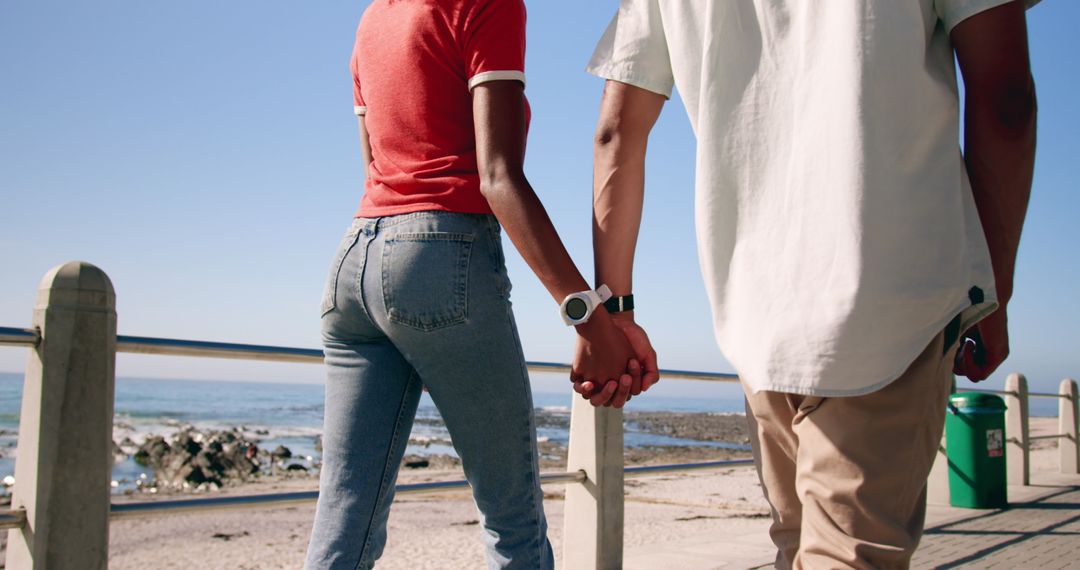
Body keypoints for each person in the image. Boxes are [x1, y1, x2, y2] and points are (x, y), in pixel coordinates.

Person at [578, 0, 1037, 567]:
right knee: (848, 552)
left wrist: (614, 312)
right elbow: (1006, 99)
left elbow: (616, 131)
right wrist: (994, 288)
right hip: (893, 301)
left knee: (795, 545)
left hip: (756, 315)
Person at [303, 1, 658, 568]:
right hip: (438, 256)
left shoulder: (374, 18)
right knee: (512, 520)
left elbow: (375, 167)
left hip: (354, 264)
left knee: (345, 515)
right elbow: (498, 178)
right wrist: (590, 317)